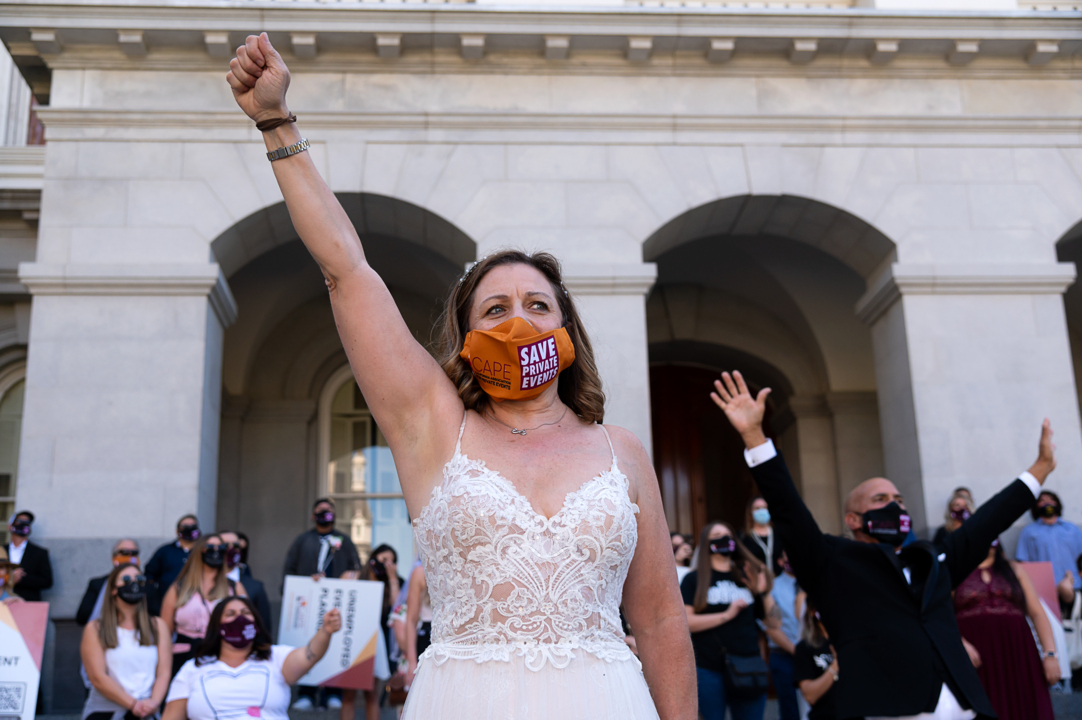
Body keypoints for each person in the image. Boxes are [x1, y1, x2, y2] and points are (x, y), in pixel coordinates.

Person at [226, 32, 695, 720]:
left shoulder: (621, 451)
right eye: (496, 308)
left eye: (539, 306)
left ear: (566, 329)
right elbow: (347, 271)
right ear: (468, 336)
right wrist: (275, 122)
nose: (519, 322)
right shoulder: (434, 428)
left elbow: (658, 623)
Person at [711, 369, 1057, 720]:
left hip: (963, 708)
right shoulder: (832, 562)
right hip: (884, 709)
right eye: (880, 499)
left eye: (899, 499)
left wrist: (1039, 470)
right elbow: (788, 510)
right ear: (854, 520)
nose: (894, 505)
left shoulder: (933, 561)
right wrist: (754, 435)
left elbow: (987, 522)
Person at [162, 597, 342, 720]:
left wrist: (325, 632)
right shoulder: (193, 668)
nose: (239, 618)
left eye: (245, 613)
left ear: (255, 622)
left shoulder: (275, 657)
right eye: (230, 614)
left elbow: (309, 655)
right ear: (217, 626)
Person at [681, 521, 779, 720]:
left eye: (728, 534)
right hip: (709, 669)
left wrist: (764, 592)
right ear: (706, 543)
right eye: (717, 534)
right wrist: (727, 614)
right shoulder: (694, 580)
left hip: (748, 666)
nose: (725, 539)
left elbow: (774, 623)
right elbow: (687, 622)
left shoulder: (747, 576)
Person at [953, 538, 1057, 720]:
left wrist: (1050, 655)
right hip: (975, 658)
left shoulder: (1014, 569)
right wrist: (959, 644)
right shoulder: (954, 570)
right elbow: (941, 615)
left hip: (1018, 652)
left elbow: (1037, 613)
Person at [282, 497, 361, 711]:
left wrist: (351, 575)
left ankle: (332, 692)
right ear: (313, 515)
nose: (325, 514)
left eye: (329, 511)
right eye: (321, 511)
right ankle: (307, 692)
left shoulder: (344, 540)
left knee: (334, 645)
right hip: (308, 605)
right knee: (306, 643)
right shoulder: (302, 540)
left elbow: (356, 568)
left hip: (335, 603)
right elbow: (289, 568)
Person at [80, 564, 171, 720]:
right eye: (127, 579)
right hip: (106, 712)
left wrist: (153, 703)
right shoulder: (95, 628)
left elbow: (163, 673)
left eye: (139, 579)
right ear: (114, 589)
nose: (133, 584)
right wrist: (133, 704)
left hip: (147, 711)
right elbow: (97, 677)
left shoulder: (158, 626)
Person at [160, 534, 247, 677]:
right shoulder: (178, 589)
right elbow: (164, 633)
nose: (216, 551)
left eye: (221, 548)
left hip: (222, 657)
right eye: (210, 547)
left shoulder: (235, 588)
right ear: (199, 551)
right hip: (183, 659)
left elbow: (246, 625)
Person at [339, 544, 399, 720]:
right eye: (384, 559)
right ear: (374, 557)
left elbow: (397, 608)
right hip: (349, 638)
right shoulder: (351, 576)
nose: (386, 564)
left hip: (373, 640)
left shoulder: (388, 584)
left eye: (391, 561)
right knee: (348, 695)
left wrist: (393, 578)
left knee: (371, 695)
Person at [1016, 490, 1082, 608]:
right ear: (1036, 506)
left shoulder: (1072, 529)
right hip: (1044, 590)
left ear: (1057, 504)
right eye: (1042, 500)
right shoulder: (1028, 532)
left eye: (1051, 499)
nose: (1047, 503)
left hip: (1075, 586)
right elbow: (1023, 562)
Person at [765, 550, 801, 720]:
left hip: (816, 655)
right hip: (785, 656)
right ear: (781, 561)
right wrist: (799, 653)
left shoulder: (815, 582)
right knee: (790, 711)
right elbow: (771, 628)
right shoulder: (772, 587)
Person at [792, 597, 839, 720]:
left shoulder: (848, 643)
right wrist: (835, 665)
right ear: (813, 611)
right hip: (823, 716)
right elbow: (810, 696)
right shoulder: (805, 647)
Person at [144, 515, 201, 616]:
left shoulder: (203, 552)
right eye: (185, 526)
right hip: (166, 605)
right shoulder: (165, 551)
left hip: (196, 606)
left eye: (192, 526)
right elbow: (149, 576)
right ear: (177, 530)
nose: (189, 529)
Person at [78, 539, 141, 626]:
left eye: (134, 553)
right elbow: (82, 617)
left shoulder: (145, 585)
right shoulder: (97, 584)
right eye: (124, 552)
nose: (129, 556)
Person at [219, 531, 271, 630]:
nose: (231, 549)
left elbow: (264, 629)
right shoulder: (201, 583)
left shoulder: (256, 587)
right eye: (225, 545)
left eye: (236, 545)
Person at [7, 510, 53, 601]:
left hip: (28, 603)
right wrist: (9, 578)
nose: (23, 524)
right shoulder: (2, 550)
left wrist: (22, 579)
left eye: (27, 522)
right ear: (10, 526)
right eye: (19, 521)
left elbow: (47, 581)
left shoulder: (39, 552)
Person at [740, 498, 783, 575]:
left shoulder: (779, 534)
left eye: (764, 508)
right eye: (757, 508)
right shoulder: (745, 538)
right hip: (757, 582)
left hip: (780, 582)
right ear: (750, 513)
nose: (761, 511)